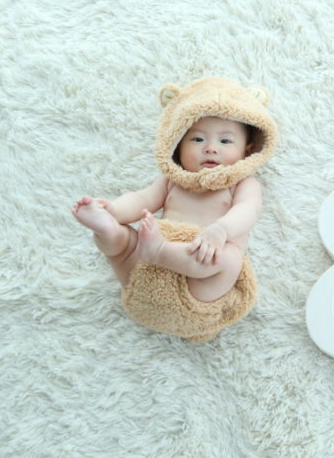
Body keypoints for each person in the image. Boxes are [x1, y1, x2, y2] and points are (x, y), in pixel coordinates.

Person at [71, 77, 278, 341]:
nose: (210, 148)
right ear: (178, 146)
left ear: (248, 151)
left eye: (225, 141)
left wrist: (221, 230)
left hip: (200, 291)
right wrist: (114, 209)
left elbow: (248, 210)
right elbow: (141, 200)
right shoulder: (172, 181)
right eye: (198, 139)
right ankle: (107, 228)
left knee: (230, 259)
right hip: (146, 281)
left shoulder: (243, 184)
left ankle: (158, 250)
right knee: (123, 241)